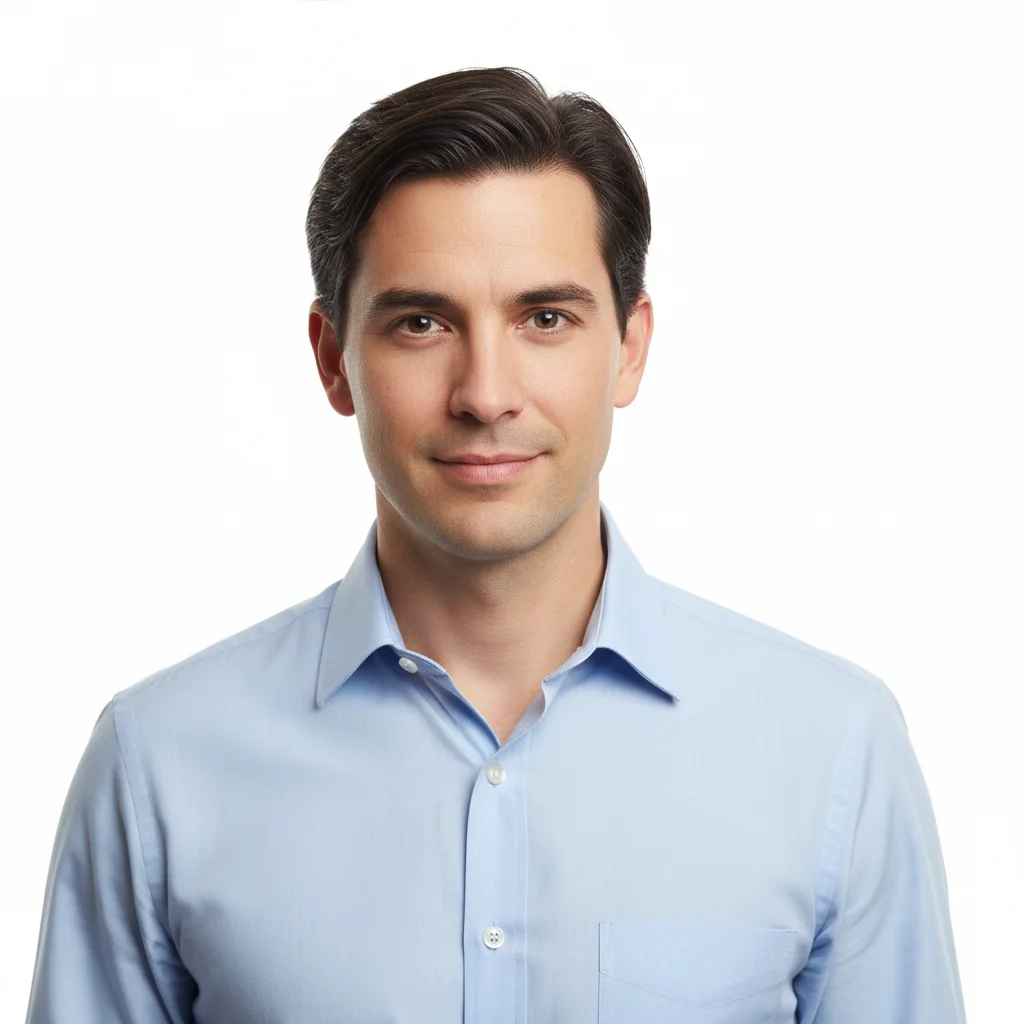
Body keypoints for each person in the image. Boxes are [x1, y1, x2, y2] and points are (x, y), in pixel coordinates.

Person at [25, 66, 965, 1024]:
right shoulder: (161, 764)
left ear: (630, 347)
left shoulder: (830, 750)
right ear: (331, 358)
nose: (485, 392)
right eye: (421, 322)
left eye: (544, 318)